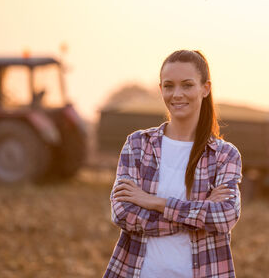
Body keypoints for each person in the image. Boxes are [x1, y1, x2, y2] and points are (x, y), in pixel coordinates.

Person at [103, 50, 243, 278]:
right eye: (169, 86)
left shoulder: (224, 155)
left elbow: (225, 216)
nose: (177, 94)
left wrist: (153, 202)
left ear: (205, 88)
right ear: (161, 90)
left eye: (187, 85)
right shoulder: (138, 144)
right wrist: (198, 216)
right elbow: (122, 213)